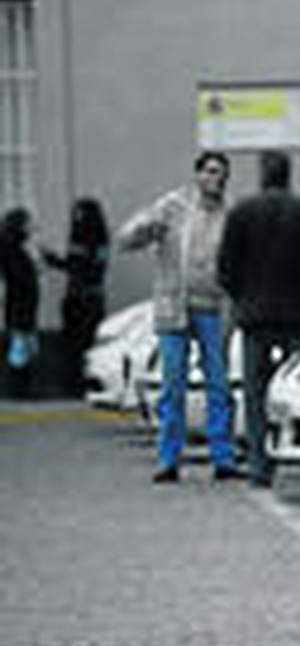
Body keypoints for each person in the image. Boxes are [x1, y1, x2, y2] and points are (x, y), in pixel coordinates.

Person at [118, 151, 240, 483]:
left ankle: (223, 457)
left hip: (214, 308)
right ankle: (169, 459)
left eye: (222, 174)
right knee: (173, 384)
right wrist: (148, 226)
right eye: (211, 172)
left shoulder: (231, 213)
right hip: (175, 308)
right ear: (198, 175)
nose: (216, 179)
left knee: (218, 383)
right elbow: (126, 239)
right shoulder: (174, 207)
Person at [219, 150, 300, 488]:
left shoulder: (242, 213)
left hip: (255, 317)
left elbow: (226, 267)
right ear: (288, 174)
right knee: (296, 388)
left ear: (262, 175)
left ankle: (260, 464)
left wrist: (241, 296)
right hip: (297, 316)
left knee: (255, 393)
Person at [41, 197, 110, 393]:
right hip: (74, 298)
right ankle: (71, 383)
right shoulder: (77, 239)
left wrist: (66, 263)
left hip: (89, 299)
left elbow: (94, 269)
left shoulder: (99, 241)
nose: (76, 219)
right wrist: (54, 260)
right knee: (71, 343)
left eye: (80, 214)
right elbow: (72, 265)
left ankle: (85, 383)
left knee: (85, 343)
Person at [0, 207, 41, 394]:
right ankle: (18, 388)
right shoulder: (12, 249)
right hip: (20, 305)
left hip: (23, 305)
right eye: (27, 224)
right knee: (20, 349)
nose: (31, 228)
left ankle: (21, 383)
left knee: (25, 346)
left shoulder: (16, 248)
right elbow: (19, 276)